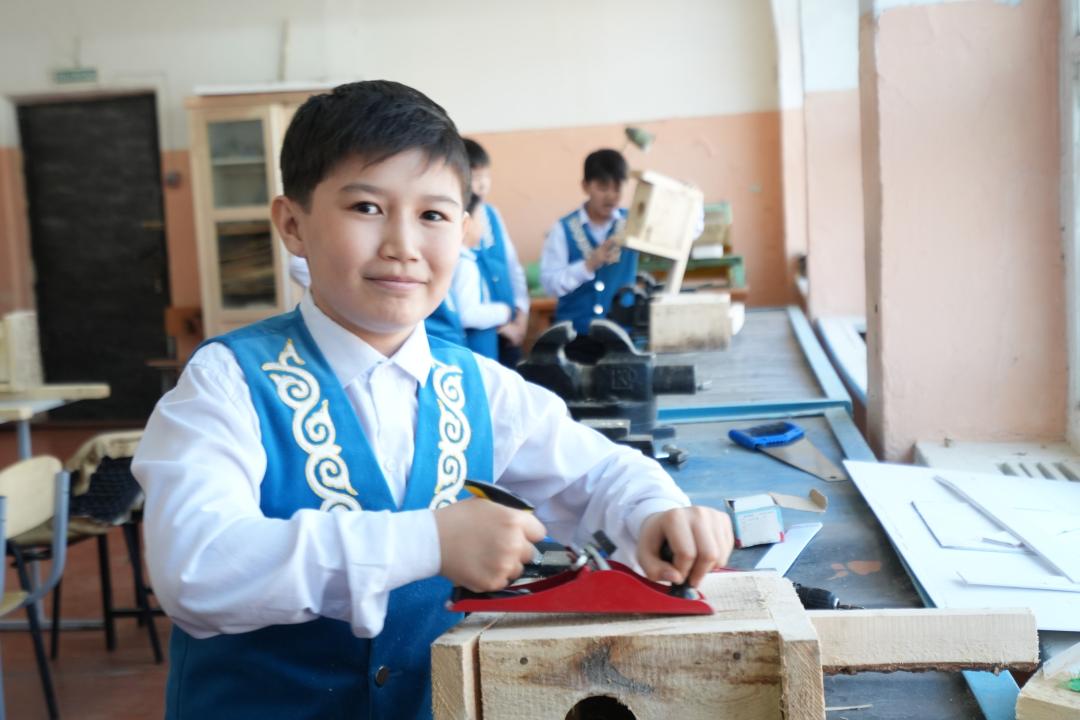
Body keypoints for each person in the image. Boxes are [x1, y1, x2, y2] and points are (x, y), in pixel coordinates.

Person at [132, 80, 733, 720]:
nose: (403, 245)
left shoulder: (479, 385)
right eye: (366, 207)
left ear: (465, 231)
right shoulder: (227, 381)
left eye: (433, 216)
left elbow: (602, 473)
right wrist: (427, 540)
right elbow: (195, 566)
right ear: (293, 224)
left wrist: (657, 512)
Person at [540, 148, 635, 336]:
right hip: (575, 335)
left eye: (617, 188)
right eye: (603, 187)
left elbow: (682, 233)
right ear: (585, 186)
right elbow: (550, 284)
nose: (611, 196)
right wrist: (589, 265)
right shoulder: (562, 229)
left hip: (622, 334)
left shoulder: (634, 223)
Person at [462, 138, 529, 367]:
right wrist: (503, 323)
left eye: (485, 176)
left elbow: (513, 268)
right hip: (477, 336)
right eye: (475, 177)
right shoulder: (454, 221)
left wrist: (521, 315)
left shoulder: (493, 214)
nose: (482, 185)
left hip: (510, 329)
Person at [450, 192, 513, 359]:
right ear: (466, 223)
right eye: (480, 220)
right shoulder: (465, 264)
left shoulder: (461, 260)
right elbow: (467, 314)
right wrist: (504, 311)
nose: (483, 226)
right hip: (475, 351)